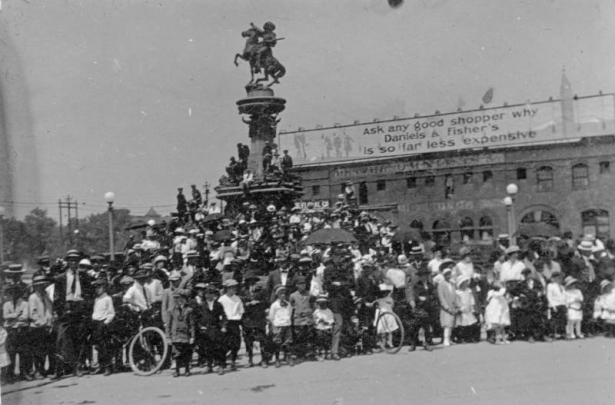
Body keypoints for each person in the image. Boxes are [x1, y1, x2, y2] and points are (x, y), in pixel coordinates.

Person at [193, 283, 227, 375]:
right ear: (205, 295)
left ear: (214, 295)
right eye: (207, 294)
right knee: (206, 348)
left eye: (211, 293)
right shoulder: (201, 305)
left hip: (216, 329)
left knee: (219, 348)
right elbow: (197, 318)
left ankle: (220, 366)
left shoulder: (218, 305)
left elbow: (223, 316)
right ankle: (208, 365)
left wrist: (223, 326)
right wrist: (200, 326)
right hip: (206, 330)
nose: (209, 296)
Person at [240, 270, 270, 368]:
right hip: (247, 319)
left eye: (253, 280)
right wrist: (247, 304)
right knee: (248, 341)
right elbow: (239, 304)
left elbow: (267, 303)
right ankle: (250, 360)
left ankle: (264, 360)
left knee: (262, 340)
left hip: (259, 318)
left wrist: (258, 302)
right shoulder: (243, 291)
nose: (251, 282)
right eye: (249, 280)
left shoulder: (261, 290)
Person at [28, 275, 54, 379]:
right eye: (39, 286)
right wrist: (41, 322)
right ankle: (37, 370)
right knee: (37, 350)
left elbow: (49, 310)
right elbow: (32, 313)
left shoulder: (46, 296)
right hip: (36, 327)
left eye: (43, 285)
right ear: (35, 287)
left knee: (44, 349)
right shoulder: (33, 297)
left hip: (46, 326)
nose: (41, 287)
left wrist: (49, 321)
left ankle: (43, 369)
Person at [3, 284, 30, 382]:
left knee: (23, 353)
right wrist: (17, 315)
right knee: (11, 353)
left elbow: (25, 316)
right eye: (11, 292)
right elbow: (5, 316)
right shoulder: (6, 304)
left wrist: (12, 318)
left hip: (21, 330)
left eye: (15, 292)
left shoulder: (24, 304)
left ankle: (24, 373)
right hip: (11, 331)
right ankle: (11, 375)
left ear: (19, 293)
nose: (13, 294)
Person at [167, 289, 195, 377]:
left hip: (185, 334)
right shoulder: (171, 310)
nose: (176, 300)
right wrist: (168, 337)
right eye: (174, 298)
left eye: (178, 298)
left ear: (182, 298)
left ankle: (187, 369)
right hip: (175, 334)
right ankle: (177, 370)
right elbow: (168, 324)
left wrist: (192, 336)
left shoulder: (189, 310)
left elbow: (192, 324)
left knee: (186, 353)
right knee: (176, 353)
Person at [90, 279, 115, 376]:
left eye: (99, 287)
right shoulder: (97, 299)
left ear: (104, 288)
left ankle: (108, 367)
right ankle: (101, 366)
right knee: (97, 347)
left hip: (103, 324)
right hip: (95, 323)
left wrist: (105, 323)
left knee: (105, 346)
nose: (97, 289)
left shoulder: (107, 299)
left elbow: (111, 313)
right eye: (96, 287)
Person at [217, 279, 244, 370]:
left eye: (234, 288)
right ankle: (223, 361)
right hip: (225, 322)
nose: (233, 289)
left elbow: (241, 310)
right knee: (224, 343)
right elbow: (219, 311)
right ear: (226, 289)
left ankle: (233, 361)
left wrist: (238, 316)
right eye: (230, 288)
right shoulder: (222, 299)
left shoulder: (237, 298)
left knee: (236, 343)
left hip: (235, 322)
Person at [408, 266, 435, 351]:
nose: (423, 277)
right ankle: (413, 343)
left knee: (427, 326)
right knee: (416, 326)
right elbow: (416, 294)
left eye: (425, 275)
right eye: (421, 275)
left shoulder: (430, 285)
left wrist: (431, 298)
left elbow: (433, 294)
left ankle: (427, 343)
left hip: (428, 307)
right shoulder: (417, 285)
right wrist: (419, 298)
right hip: (420, 307)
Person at [289, 276, 314, 362]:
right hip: (298, 320)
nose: (303, 286)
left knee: (309, 336)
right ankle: (300, 355)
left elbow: (313, 305)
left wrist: (310, 312)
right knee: (299, 337)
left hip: (308, 319)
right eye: (300, 284)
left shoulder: (309, 294)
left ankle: (309, 354)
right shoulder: (293, 296)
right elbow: (291, 308)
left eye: (304, 283)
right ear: (296, 285)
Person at [267, 285, 293, 367]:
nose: (283, 295)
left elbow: (290, 314)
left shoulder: (288, 304)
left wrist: (287, 322)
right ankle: (277, 359)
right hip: (278, 326)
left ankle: (288, 358)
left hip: (287, 325)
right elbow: (271, 317)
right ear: (277, 295)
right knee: (277, 343)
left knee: (288, 343)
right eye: (281, 293)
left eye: (284, 293)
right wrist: (274, 326)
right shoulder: (274, 305)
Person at [437, 265, 457, 347]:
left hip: (453, 306)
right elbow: (441, 297)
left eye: (449, 274)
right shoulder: (441, 285)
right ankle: (445, 340)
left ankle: (450, 339)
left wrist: (456, 306)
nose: (448, 276)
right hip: (446, 307)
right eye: (446, 274)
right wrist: (446, 307)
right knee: (447, 324)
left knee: (451, 324)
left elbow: (455, 295)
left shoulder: (452, 284)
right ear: (443, 275)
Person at [454, 277, 478, 343]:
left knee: (470, 324)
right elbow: (456, 300)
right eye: (464, 283)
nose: (466, 285)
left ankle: (469, 338)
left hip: (468, 309)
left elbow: (471, 299)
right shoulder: (457, 292)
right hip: (462, 309)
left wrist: (472, 307)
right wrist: (459, 307)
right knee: (462, 325)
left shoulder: (468, 290)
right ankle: (461, 338)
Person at [312, 295, 334, 361]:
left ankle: (327, 354)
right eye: (320, 303)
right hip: (319, 328)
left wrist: (326, 322)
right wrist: (318, 320)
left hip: (327, 328)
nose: (322, 305)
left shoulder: (329, 311)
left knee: (327, 341)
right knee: (319, 342)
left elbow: (331, 320)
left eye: (324, 303)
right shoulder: (316, 311)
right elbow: (314, 320)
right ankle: (319, 355)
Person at [546, 272, 567, 339]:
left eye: (560, 278)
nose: (560, 279)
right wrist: (552, 305)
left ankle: (561, 333)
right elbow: (549, 296)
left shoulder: (562, 287)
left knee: (562, 319)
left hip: (562, 304)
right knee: (554, 320)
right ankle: (553, 333)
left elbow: (564, 296)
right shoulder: (550, 286)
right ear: (554, 278)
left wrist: (566, 304)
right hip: (555, 305)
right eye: (558, 278)